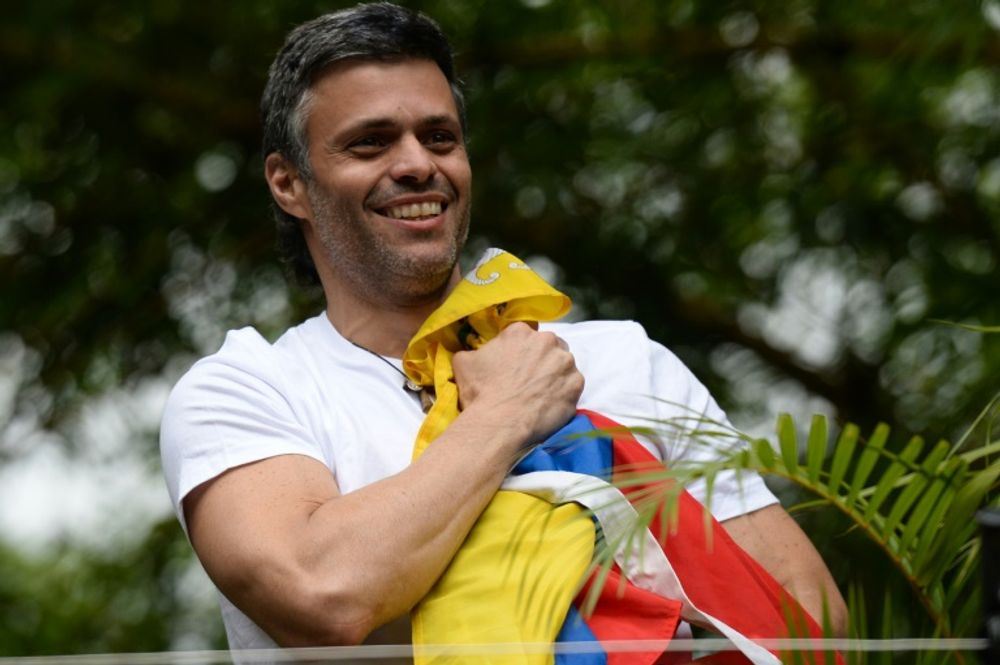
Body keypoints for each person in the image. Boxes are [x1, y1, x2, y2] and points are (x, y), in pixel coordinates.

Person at [159, 1, 847, 659]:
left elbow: (811, 615)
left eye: (439, 137)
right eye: (371, 143)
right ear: (289, 183)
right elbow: (323, 595)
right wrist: (512, 413)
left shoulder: (624, 361)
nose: (416, 164)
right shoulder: (249, 389)